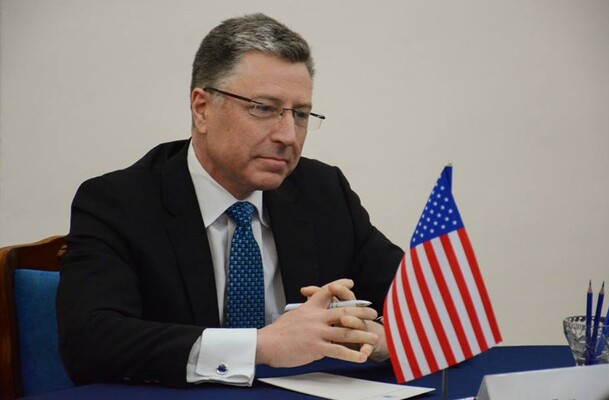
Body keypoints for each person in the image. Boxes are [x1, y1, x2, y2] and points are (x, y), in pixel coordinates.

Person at [56, 13, 403, 388]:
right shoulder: (119, 203)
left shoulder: (323, 191)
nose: (288, 135)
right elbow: (91, 343)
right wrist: (261, 346)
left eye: (301, 114)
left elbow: (428, 302)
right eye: (264, 108)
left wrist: (379, 339)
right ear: (202, 108)